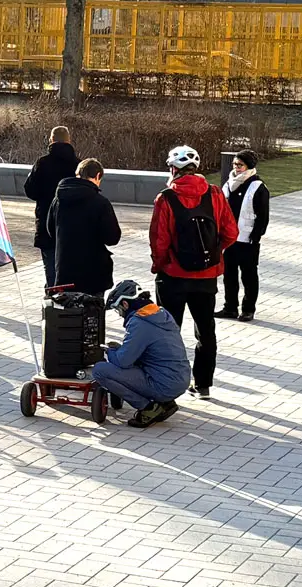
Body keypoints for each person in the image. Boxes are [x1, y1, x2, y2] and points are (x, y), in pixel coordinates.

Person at [149, 146, 238, 400]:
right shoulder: (215, 193)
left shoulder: (165, 198)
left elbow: (159, 240)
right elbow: (231, 232)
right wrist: (214, 253)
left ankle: (167, 383)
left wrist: (159, 265)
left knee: (168, 332)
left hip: (173, 276)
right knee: (206, 330)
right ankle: (203, 384)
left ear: (173, 169)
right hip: (206, 276)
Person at [93, 280, 192, 428]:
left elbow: (123, 361)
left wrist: (109, 351)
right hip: (179, 379)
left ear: (125, 304)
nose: (120, 314)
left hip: (163, 384)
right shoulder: (160, 313)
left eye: (119, 309)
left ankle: (149, 408)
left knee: (100, 370)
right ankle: (165, 402)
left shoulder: (139, 322)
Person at [46, 158, 121, 297]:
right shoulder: (100, 203)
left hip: (64, 271)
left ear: (78, 174)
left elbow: (50, 230)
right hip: (93, 274)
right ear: (97, 176)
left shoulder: (58, 200)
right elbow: (112, 238)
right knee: (93, 309)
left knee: (67, 308)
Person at [216, 149, 270, 322]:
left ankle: (248, 309)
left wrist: (256, 235)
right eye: (234, 164)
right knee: (229, 275)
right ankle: (230, 308)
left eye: (240, 165)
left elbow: (263, 216)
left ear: (249, 166)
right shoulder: (228, 184)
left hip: (248, 240)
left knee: (248, 276)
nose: (236, 168)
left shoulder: (258, 186)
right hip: (229, 239)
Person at [24, 126, 79, 288]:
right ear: (69, 140)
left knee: (51, 267)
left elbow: (30, 190)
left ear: (51, 140)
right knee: (72, 266)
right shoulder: (78, 165)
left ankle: (53, 296)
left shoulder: (42, 163)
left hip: (46, 223)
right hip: (72, 226)